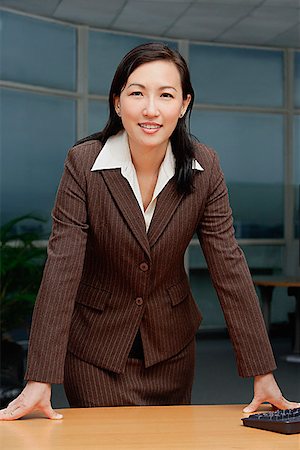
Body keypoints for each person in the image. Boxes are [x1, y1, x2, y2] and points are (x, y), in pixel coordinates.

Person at [0, 42, 298, 421]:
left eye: (166, 95)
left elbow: (228, 266)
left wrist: (263, 371)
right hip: (95, 349)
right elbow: (62, 268)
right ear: (117, 101)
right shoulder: (83, 163)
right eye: (137, 93)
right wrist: (39, 378)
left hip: (171, 350)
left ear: (184, 104)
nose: (151, 109)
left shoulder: (205, 166)